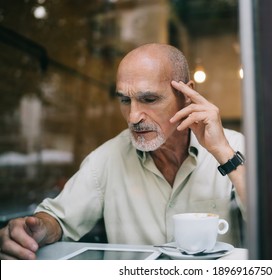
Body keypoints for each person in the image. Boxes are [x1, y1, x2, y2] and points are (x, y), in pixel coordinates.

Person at [0, 43, 246, 260]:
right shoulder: (105, 159)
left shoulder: (233, 148)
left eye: (149, 99)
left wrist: (223, 153)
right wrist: (37, 230)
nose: (133, 116)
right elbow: (58, 220)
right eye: (125, 100)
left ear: (186, 95)